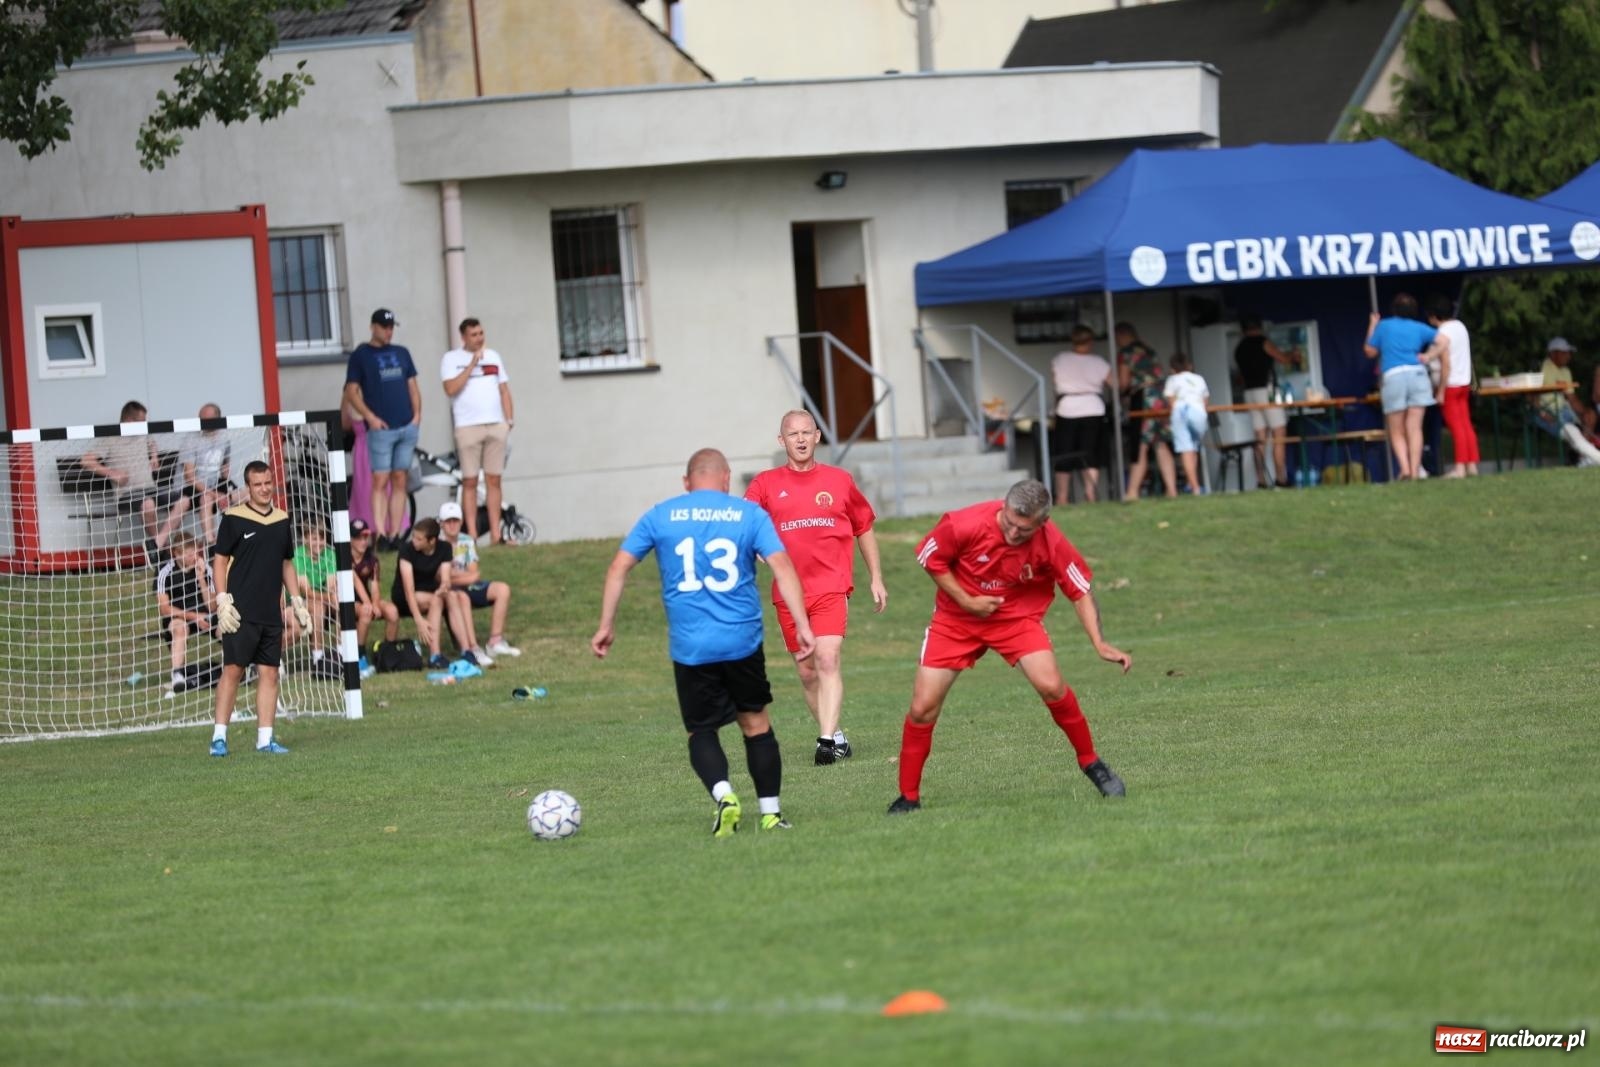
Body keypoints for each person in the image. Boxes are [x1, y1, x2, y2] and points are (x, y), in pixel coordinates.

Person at [592, 448, 814, 836]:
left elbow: (618, 567)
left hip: (691, 648)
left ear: (686, 481)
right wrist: (802, 624)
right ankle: (771, 814)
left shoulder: (661, 515)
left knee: (701, 731)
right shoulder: (749, 515)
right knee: (756, 724)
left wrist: (606, 625)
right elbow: (782, 566)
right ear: (726, 479)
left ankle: (725, 794)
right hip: (742, 641)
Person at [887, 479, 1131, 815]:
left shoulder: (1051, 540)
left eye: (1024, 530)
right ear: (1004, 506)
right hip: (956, 618)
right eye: (1010, 524)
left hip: (1015, 618)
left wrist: (1099, 643)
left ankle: (1092, 763)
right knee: (922, 707)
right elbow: (931, 558)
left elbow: (1079, 589)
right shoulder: (964, 523)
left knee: (1051, 685)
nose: (1014, 534)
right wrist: (966, 600)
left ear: (1042, 524)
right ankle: (908, 797)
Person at [744, 410, 886, 765]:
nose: (801, 439)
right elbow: (743, 523)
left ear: (818, 436)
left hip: (831, 587)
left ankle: (825, 741)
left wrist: (876, 578)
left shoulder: (839, 480)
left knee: (827, 657)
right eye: (793, 434)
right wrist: (755, 546)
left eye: (807, 432)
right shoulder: (764, 483)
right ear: (782, 441)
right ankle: (836, 734)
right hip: (789, 594)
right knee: (807, 671)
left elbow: (863, 526)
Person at [208, 461, 312, 756]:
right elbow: (219, 560)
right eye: (258, 484)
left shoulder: (282, 519)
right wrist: (221, 598)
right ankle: (219, 738)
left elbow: (286, 562)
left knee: (270, 673)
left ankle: (265, 740)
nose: (264, 488)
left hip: (271, 613)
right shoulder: (233, 518)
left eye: (268, 483)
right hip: (240, 612)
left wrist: (297, 600)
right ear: (248, 487)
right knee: (233, 670)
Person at [342, 309, 421, 550]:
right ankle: (379, 532)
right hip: (380, 430)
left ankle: (395, 534)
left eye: (391, 327)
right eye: (384, 326)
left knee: (400, 479)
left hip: (406, 426)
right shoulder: (361, 355)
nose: (388, 331)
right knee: (380, 479)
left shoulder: (402, 353)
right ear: (372, 327)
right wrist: (370, 417)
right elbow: (350, 391)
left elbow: (413, 387)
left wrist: (417, 416)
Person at [80, 400, 191, 553]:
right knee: (148, 504)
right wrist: (112, 473)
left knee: (184, 500)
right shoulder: (110, 439)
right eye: (141, 421)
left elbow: (151, 442)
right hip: (127, 493)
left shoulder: (143, 433)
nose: (145, 424)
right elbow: (86, 461)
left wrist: (154, 456)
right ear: (129, 421)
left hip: (150, 489)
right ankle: (163, 549)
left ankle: (158, 544)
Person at [440, 318, 515, 544]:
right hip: (467, 427)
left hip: (495, 425)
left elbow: (503, 389)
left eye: (481, 333)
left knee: (494, 480)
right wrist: (472, 364)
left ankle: (495, 534)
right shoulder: (451, 359)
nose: (479, 338)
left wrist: (508, 420)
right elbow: (450, 388)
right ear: (463, 337)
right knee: (470, 482)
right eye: (474, 334)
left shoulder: (493, 356)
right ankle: (471, 535)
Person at [1364, 293, 1449, 481]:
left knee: (1396, 429)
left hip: (1393, 376)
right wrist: (1429, 356)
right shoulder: (1419, 327)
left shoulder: (1384, 326)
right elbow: (1444, 341)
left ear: (1393, 309)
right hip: (1417, 375)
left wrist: (1372, 325)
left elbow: (1370, 351)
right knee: (1415, 427)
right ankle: (1415, 467)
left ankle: (1405, 469)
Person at [438, 500, 521, 662]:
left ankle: (495, 642)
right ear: (441, 523)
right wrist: (459, 576)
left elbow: (475, 574)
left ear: (461, 521)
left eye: (455, 520)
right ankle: (472, 647)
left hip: (468, 585)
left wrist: (454, 575)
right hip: (449, 590)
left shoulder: (467, 540)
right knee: (463, 598)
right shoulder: (438, 543)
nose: (452, 525)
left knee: (502, 589)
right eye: (448, 521)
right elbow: (440, 577)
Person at [392, 517, 474, 669]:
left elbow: (445, 579)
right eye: (414, 537)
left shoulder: (444, 548)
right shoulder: (406, 551)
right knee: (436, 600)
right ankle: (435, 655)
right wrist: (418, 620)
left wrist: (444, 586)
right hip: (405, 596)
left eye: (419, 539)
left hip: (430, 592)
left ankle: (467, 651)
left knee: (451, 596)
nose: (414, 541)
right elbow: (408, 589)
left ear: (432, 541)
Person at [1049, 324, 1113, 504]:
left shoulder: (1060, 359)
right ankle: (1090, 492)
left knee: (1064, 454)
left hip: (1067, 407)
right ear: (1090, 341)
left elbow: (1055, 384)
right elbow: (1113, 383)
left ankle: (1062, 496)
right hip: (1093, 407)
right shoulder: (1099, 362)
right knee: (1090, 453)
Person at [1233, 317, 1299, 489]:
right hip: (1266, 391)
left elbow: (1239, 376)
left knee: (1260, 439)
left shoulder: (1239, 348)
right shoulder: (1263, 342)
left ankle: (1261, 480)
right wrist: (1293, 355)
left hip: (1249, 393)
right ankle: (1280, 478)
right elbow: (1283, 359)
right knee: (1279, 434)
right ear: (1260, 328)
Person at [1116, 322, 1176, 499]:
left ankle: (1132, 492)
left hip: (1143, 398)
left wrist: (1121, 394)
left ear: (1121, 335)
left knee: (1140, 444)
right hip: (1161, 397)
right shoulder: (1149, 350)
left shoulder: (1126, 353)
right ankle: (1171, 490)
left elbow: (1124, 382)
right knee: (1160, 443)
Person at [156, 531, 217, 694]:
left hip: (205, 616)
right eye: (188, 553)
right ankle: (177, 675)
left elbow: (212, 606)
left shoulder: (205, 569)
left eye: (195, 552)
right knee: (180, 628)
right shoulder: (165, 572)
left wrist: (202, 578)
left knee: (227, 625)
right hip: (179, 617)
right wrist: (193, 617)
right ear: (175, 553)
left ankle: (241, 666)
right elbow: (164, 608)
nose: (193, 556)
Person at [1425, 296, 1478, 477]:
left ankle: (1460, 467)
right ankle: (1471, 465)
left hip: (1450, 384)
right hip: (1464, 382)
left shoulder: (1442, 334)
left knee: (1456, 426)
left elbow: (1445, 363)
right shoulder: (1460, 327)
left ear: (1433, 316)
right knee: (1466, 424)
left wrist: (1440, 390)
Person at [350, 519, 399, 675]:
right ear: (350, 539)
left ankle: (386, 653)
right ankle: (359, 655)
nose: (363, 542)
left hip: (367, 599)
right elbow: (355, 582)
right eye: (358, 538)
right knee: (366, 612)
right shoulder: (343, 557)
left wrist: (376, 604)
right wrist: (369, 604)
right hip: (348, 601)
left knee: (392, 611)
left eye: (365, 537)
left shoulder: (372, 560)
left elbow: (375, 585)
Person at [181, 402, 232, 541]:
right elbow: (189, 477)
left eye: (206, 419)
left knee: (244, 494)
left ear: (217, 419)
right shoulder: (191, 439)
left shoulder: (225, 437)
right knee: (206, 499)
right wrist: (217, 495)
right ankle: (210, 543)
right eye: (200, 418)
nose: (202, 422)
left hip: (215, 485)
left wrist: (226, 488)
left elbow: (225, 467)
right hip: (195, 488)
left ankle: (249, 538)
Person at [1162, 352, 1210, 494]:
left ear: (1172, 368)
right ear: (1189, 365)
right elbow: (1205, 400)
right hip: (1198, 412)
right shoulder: (1199, 379)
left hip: (1181, 412)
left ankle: (1194, 487)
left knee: (1186, 450)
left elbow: (1171, 401)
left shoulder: (1172, 379)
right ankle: (1192, 482)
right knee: (1194, 448)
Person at [292, 520, 337, 666]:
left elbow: (331, 585)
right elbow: (307, 592)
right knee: (317, 607)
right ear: (305, 539)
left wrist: (332, 597)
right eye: (314, 538)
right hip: (297, 602)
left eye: (322, 538)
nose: (319, 543)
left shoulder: (330, 554)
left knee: (340, 602)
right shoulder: (298, 556)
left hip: (323, 598)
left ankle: (342, 652)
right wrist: (329, 597)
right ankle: (318, 659)